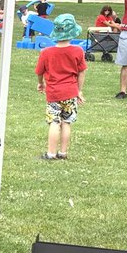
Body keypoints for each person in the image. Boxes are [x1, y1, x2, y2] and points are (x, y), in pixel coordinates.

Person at [35, 14, 86, 161]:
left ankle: (51, 153)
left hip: (53, 93)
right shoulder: (78, 51)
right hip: (70, 92)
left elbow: (39, 72)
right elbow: (81, 72)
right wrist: (78, 90)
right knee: (67, 122)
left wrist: (41, 83)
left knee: (54, 122)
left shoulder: (46, 53)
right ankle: (63, 153)